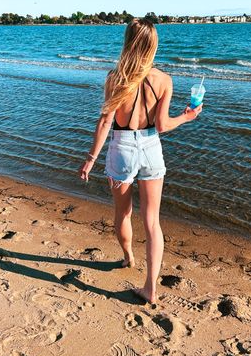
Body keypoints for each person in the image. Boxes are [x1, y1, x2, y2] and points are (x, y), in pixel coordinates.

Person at [78, 18, 203, 304]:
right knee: (152, 221)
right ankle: (150, 288)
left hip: (121, 147)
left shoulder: (115, 78)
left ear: (128, 42)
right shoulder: (164, 80)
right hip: (150, 148)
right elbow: (161, 125)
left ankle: (127, 257)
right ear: (153, 45)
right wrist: (187, 116)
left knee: (122, 214)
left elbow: (106, 121)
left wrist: (90, 159)